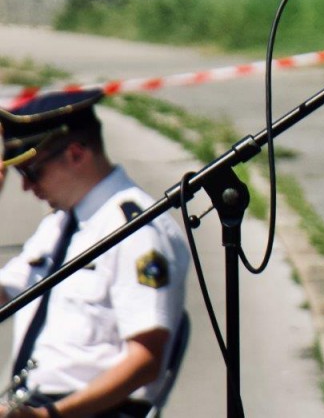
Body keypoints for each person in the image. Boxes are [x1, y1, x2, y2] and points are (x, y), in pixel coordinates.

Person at [0, 90, 190, 418]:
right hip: (31, 402)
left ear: (75, 154)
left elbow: (146, 360)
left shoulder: (135, 230)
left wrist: (50, 416)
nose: (27, 187)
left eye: (31, 172)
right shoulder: (59, 225)